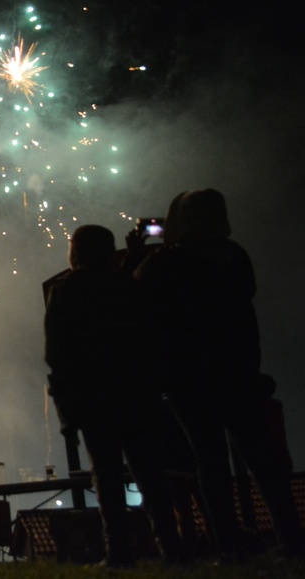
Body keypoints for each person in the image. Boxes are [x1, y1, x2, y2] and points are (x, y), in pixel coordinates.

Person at [131, 189, 305, 561]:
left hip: (189, 379)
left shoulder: (165, 264)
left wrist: (137, 254)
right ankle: (291, 539)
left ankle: (227, 543)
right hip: (240, 372)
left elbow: (138, 299)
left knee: (208, 462)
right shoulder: (235, 255)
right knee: (262, 460)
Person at [46, 224, 185, 567]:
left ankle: (118, 551)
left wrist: (68, 402)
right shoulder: (128, 286)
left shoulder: (65, 291)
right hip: (137, 392)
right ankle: (172, 548)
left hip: (95, 397)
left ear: (75, 251)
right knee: (150, 473)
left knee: (105, 476)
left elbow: (57, 352)